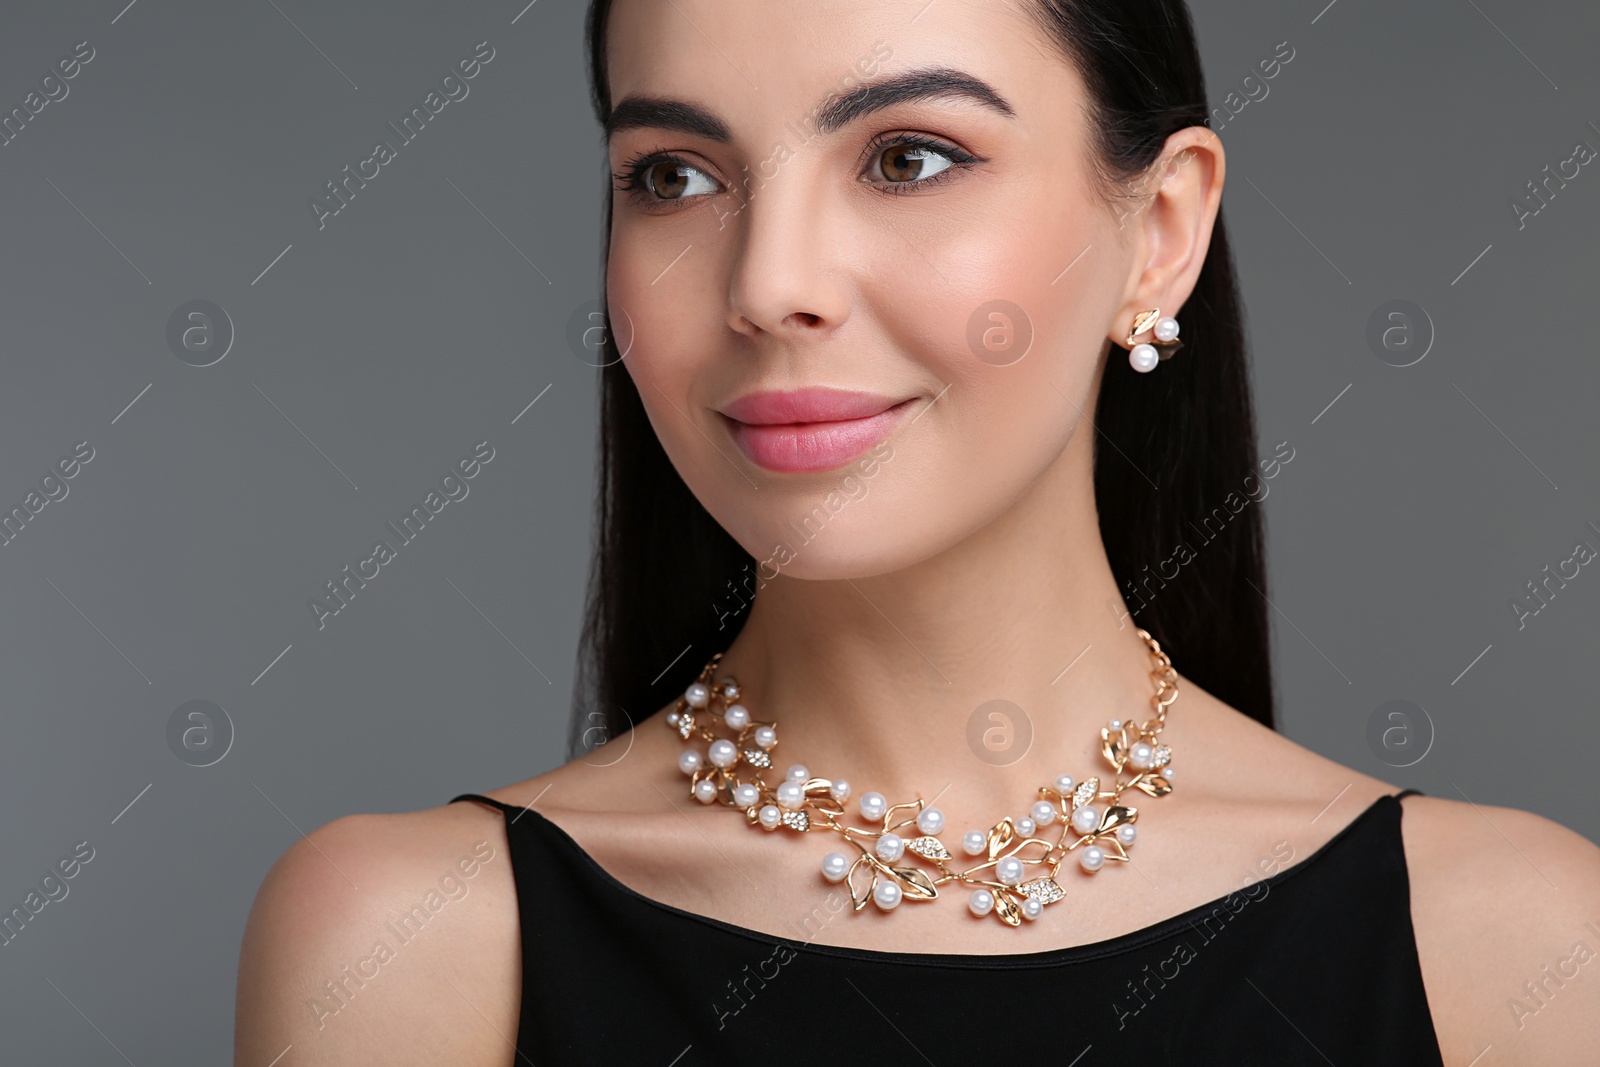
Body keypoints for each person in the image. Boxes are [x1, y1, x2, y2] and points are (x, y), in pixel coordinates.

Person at [234, 0, 1600, 1062]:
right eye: (673, 177)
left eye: (907, 156)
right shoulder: (409, 947)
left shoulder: (1512, 946)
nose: (769, 284)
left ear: (1160, 232)